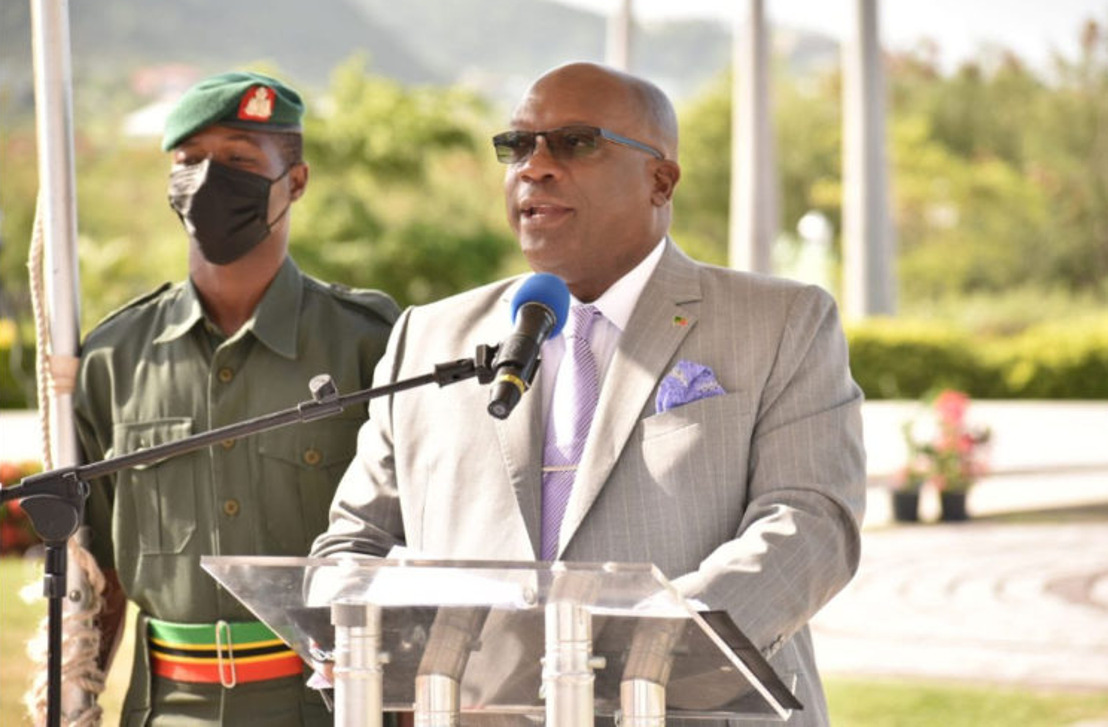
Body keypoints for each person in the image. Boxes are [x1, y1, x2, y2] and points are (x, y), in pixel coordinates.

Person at [310, 62, 865, 727]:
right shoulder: (428, 338)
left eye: (574, 142)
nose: (533, 167)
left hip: (687, 708)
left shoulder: (781, 322)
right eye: (517, 145)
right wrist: (357, 637)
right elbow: (352, 541)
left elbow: (811, 523)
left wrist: (658, 646)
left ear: (661, 179)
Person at [74, 71, 399, 725]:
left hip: (328, 701)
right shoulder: (114, 355)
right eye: (189, 161)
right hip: (166, 706)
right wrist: (73, 700)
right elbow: (95, 573)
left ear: (296, 182)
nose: (207, 180)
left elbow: (416, 549)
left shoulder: (369, 345)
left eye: (239, 162)